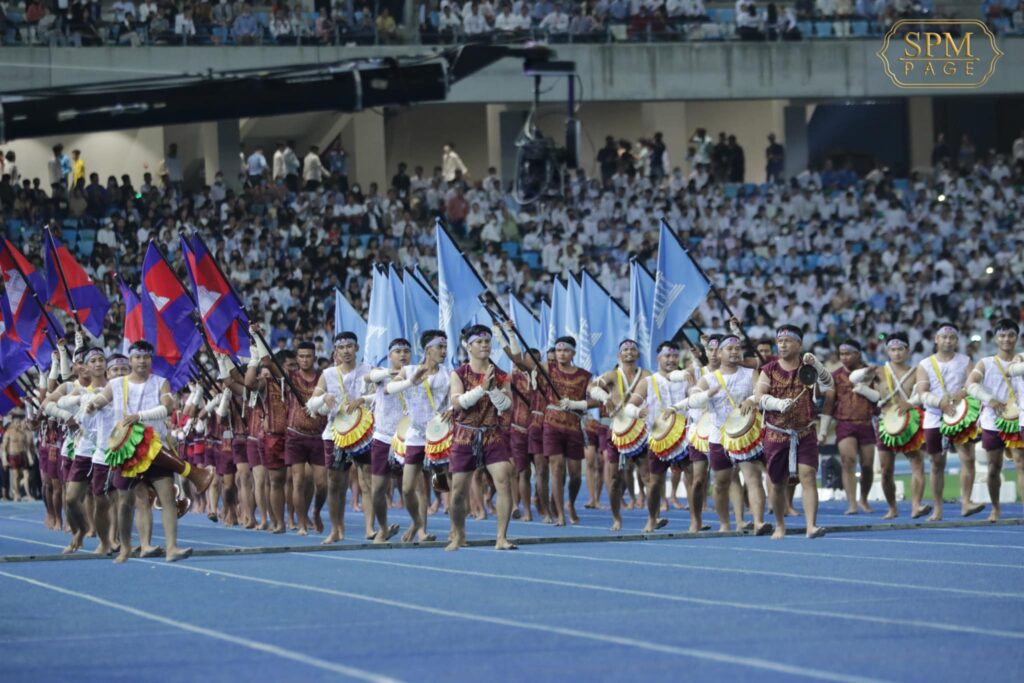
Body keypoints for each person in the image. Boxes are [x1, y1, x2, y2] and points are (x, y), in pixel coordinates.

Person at [86, 341, 192, 563]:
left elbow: (168, 407)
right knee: (130, 501)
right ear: (131, 360)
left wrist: (140, 416)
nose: (142, 361)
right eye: (137, 357)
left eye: (146, 357)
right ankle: (131, 546)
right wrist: (91, 405)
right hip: (128, 451)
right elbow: (100, 401)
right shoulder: (116, 384)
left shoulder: (161, 382)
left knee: (167, 496)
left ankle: (172, 548)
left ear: (151, 360)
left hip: (156, 449)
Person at [507, 327, 596, 527]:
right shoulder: (547, 369)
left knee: (574, 474)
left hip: (573, 426)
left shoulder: (584, 375)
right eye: (558, 350)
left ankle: (570, 503)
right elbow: (519, 360)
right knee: (556, 469)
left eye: (565, 350)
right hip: (550, 426)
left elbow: (596, 399)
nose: (561, 354)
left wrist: (577, 404)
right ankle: (560, 514)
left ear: (573, 353)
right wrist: (511, 334)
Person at [688, 334, 772, 535]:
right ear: (719, 353)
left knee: (753, 477)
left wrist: (752, 400)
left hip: (746, 436)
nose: (735, 351)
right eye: (730, 348)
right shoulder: (708, 379)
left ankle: (758, 522)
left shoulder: (751, 373)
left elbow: (761, 394)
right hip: (719, 437)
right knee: (721, 483)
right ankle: (725, 523)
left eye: (737, 348)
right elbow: (693, 397)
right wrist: (706, 394)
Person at [754, 325, 830, 540]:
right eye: (780, 341)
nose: (783, 345)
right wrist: (777, 403)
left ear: (799, 344)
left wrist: (817, 364)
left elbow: (828, 384)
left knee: (808, 476)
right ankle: (780, 525)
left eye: (787, 341)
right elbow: (759, 396)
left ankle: (811, 526)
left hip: (805, 432)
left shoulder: (809, 369)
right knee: (778, 483)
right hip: (776, 433)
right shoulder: (769, 369)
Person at [447, 325, 517, 551]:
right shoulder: (459, 373)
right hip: (465, 435)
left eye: (487, 341)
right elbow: (458, 403)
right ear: (469, 346)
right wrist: (482, 388)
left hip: (492, 433)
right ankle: (459, 534)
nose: (485, 345)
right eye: (479, 342)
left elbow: (507, 406)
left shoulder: (501, 374)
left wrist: (492, 389)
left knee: (503, 480)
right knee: (458, 490)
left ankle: (501, 538)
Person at [850, 333, 930, 520]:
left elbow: (922, 393)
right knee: (886, 471)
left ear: (908, 350)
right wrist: (865, 372)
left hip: (910, 422)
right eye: (893, 350)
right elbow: (853, 379)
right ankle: (892, 508)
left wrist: (910, 403)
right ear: (887, 351)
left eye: (900, 349)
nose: (897, 353)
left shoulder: (917, 371)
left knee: (917, 463)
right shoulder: (879, 371)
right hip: (885, 423)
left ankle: (916, 505)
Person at [304, 332, 370, 542]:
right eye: (341, 348)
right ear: (336, 351)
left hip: (362, 432)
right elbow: (311, 404)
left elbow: (380, 394)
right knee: (335, 483)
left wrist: (364, 399)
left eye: (349, 346)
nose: (346, 351)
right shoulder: (328, 374)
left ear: (356, 348)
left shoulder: (368, 370)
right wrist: (324, 397)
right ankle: (336, 528)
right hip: (335, 433)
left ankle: (370, 528)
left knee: (367, 481)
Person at [915, 323, 984, 521]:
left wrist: (962, 392)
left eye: (952, 337)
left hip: (959, 416)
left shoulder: (965, 361)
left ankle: (966, 502)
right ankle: (938, 509)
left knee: (968, 459)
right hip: (935, 417)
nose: (948, 341)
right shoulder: (925, 364)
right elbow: (922, 393)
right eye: (944, 337)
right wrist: (940, 403)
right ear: (936, 339)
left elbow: (973, 384)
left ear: (957, 341)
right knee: (936, 463)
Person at [386, 330, 449, 542]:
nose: (444, 351)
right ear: (428, 350)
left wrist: (451, 412)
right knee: (407, 488)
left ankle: (423, 530)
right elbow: (389, 388)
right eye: (440, 347)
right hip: (415, 434)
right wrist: (410, 381)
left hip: (438, 436)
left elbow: (453, 402)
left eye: (445, 347)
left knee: (436, 484)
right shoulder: (409, 370)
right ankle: (415, 522)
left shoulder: (448, 374)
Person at [625, 341, 692, 532]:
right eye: (667, 356)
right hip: (659, 439)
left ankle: (696, 520)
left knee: (693, 479)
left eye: (675, 356)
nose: (671, 360)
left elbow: (695, 398)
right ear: (658, 358)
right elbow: (630, 406)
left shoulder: (685, 379)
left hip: (684, 437)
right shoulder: (648, 382)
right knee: (655, 483)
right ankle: (652, 519)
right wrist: (637, 412)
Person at [965, 319, 1024, 522]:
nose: (1006, 339)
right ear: (996, 338)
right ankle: (996, 508)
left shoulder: (1021, 360)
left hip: (1018, 419)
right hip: (993, 421)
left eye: (1011, 335)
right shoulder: (986, 362)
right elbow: (970, 384)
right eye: (1002, 335)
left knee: (1021, 464)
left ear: (1017, 337)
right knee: (993, 467)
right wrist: (989, 399)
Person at [589, 339, 651, 531]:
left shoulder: (646, 375)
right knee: (615, 479)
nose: (629, 351)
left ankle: (653, 517)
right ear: (619, 355)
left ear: (638, 354)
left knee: (647, 476)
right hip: (617, 432)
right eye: (625, 349)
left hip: (640, 431)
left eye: (633, 349)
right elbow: (591, 387)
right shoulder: (612, 375)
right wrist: (605, 397)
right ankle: (617, 518)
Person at [244, 334, 295, 534]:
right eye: (289, 366)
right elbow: (249, 383)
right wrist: (254, 358)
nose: (292, 369)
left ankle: (296, 518)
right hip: (272, 437)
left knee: (299, 479)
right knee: (274, 481)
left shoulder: (296, 381)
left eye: (294, 366)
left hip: (295, 435)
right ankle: (276, 520)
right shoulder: (267, 383)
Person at [820, 339, 876, 515]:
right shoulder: (835, 376)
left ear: (858, 354)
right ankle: (852, 503)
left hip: (866, 423)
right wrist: (823, 430)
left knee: (867, 465)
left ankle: (863, 499)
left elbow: (880, 397)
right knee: (848, 461)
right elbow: (829, 403)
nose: (844, 357)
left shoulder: (871, 373)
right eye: (841, 354)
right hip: (845, 424)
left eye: (848, 354)